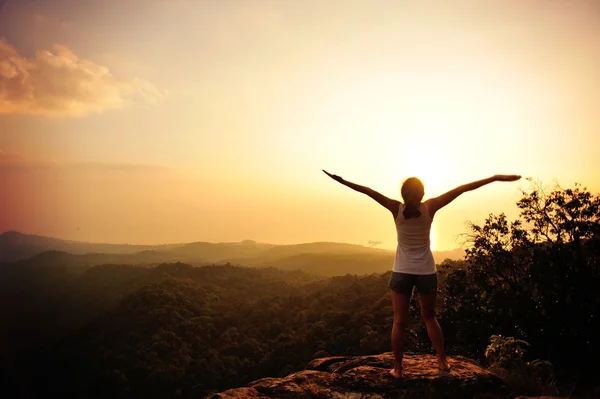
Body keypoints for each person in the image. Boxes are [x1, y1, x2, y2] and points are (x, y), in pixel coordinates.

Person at [322, 170, 521, 378]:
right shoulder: (430, 207)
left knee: (399, 321)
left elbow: (369, 192)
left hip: (401, 271)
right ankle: (442, 360)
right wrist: (493, 178)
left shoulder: (395, 208)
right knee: (430, 317)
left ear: (402, 193)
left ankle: (398, 369)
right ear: (422, 192)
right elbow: (462, 189)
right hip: (426, 272)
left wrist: (343, 181)